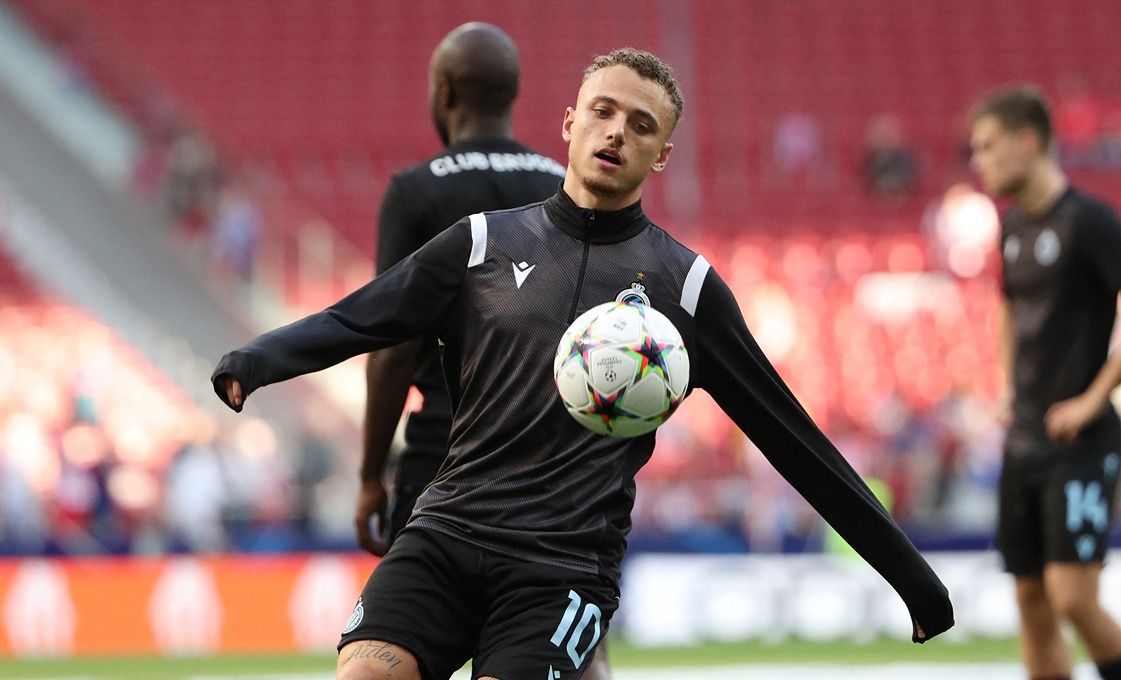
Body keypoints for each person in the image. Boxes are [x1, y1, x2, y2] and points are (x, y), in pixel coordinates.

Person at [213, 48, 954, 680]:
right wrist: (258, 359)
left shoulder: (684, 288)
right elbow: (362, 315)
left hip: (562, 564)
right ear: (569, 123)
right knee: (368, 671)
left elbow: (793, 440)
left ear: (661, 155)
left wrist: (913, 579)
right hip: (445, 532)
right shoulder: (480, 245)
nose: (616, 132)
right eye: (602, 111)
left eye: (641, 126)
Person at [354, 22, 613, 680]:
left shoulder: (417, 192)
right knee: (570, 649)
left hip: (447, 457)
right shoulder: (569, 184)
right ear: (516, 95)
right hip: (555, 467)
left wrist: (367, 477)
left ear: (443, 92)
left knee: (406, 644)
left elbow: (391, 347)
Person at [969, 87, 1121, 680]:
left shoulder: (1088, 220)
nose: (978, 161)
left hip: (1080, 444)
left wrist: (1094, 396)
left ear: (1027, 142)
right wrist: (1007, 389)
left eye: (988, 147)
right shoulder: (1010, 228)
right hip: (1025, 439)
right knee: (1031, 602)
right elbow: (1009, 309)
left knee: (1072, 596)